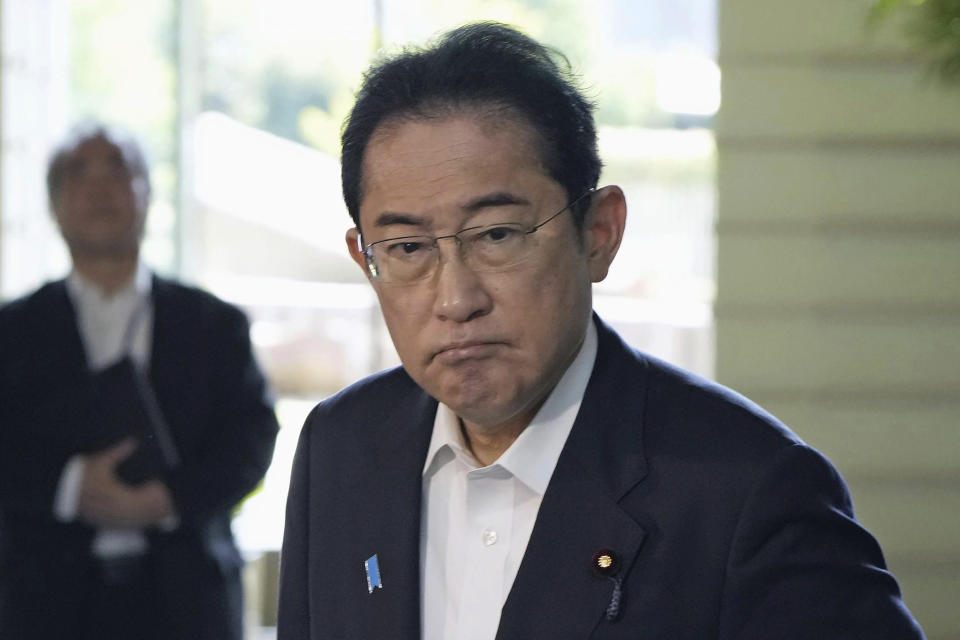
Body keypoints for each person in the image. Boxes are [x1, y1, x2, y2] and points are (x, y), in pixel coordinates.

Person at [277, 22, 925, 640]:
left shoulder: (747, 491)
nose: (455, 298)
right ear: (367, 259)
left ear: (599, 232)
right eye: (408, 247)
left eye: (498, 234)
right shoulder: (342, 448)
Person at [0, 122, 279, 639]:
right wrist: (67, 487)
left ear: (148, 196)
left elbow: (252, 436)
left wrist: (166, 500)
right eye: (80, 171)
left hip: (188, 597)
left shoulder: (214, 324)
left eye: (119, 169)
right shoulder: (12, 330)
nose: (102, 186)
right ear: (56, 206)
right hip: (43, 600)